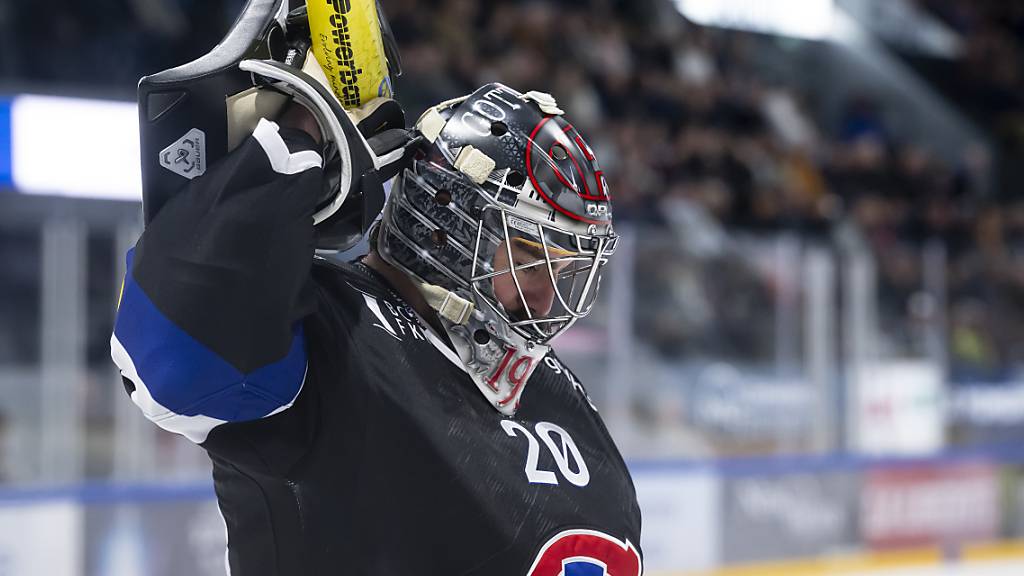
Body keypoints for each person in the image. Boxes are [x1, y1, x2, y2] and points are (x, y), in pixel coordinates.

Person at [111, 8, 641, 576]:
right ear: (447, 227)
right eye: (532, 261)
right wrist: (299, 133)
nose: (546, 299)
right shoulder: (331, 331)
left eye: (565, 272)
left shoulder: (555, 390)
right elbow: (176, 357)